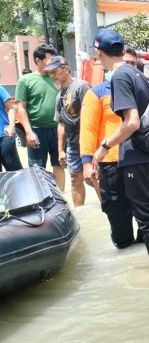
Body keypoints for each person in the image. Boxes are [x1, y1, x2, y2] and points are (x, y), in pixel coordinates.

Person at [91, 29, 149, 271]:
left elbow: (132, 122)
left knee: (146, 218)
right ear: (122, 50)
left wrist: (104, 146)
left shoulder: (120, 76)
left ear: (99, 53)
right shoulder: (138, 73)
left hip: (135, 155)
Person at [81, 74, 141, 248]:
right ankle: (125, 249)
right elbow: (88, 130)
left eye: (131, 64)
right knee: (118, 215)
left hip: (140, 160)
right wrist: (86, 163)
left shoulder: (141, 88)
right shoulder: (97, 93)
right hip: (110, 163)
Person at [15, 44, 65, 189]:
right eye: (50, 59)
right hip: (37, 130)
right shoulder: (26, 81)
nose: (53, 62)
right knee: (37, 169)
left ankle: (62, 199)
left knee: (59, 164)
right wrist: (29, 132)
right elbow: (21, 108)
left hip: (58, 129)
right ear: (38, 60)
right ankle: (42, 200)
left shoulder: (58, 77)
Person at [46, 56, 91, 206]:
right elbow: (61, 124)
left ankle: (109, 213)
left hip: (88, 142)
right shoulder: (59, 96)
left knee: (93, 178)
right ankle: (81, 212)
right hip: (72, 144)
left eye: (55, 71)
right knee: (74, 178)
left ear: (66, 69)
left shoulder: (82, 87)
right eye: (50, 73)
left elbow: (92, 116)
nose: (52, 75)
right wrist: (60, 150)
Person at [0, 85, 22, 171]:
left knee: (15, 171)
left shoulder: (0, 89)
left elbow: (10, 108)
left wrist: (11, 125)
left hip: (4, 135)